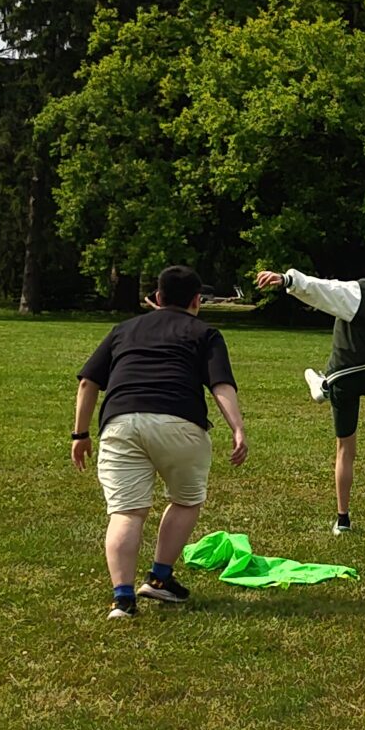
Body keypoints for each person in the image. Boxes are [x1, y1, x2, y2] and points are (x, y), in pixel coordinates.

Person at [70, 264, 247, 620]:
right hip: (180, 422)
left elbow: (88, 382)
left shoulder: (124, 329)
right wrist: (237, 427)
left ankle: (122, 600)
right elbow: (220, 384)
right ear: (197, 301)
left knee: (126, 513)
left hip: (120, 423)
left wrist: (80, 434)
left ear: (157, 297)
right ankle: (160, 578)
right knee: (185, 500)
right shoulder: (205, 332)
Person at [254, 252, 365, 535]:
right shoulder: (364, 294)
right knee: (349, 449)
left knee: (343, 450)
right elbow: (326, 289)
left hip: (348, 378)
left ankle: (342, 518)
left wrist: (287, 279)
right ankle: (342, 521)